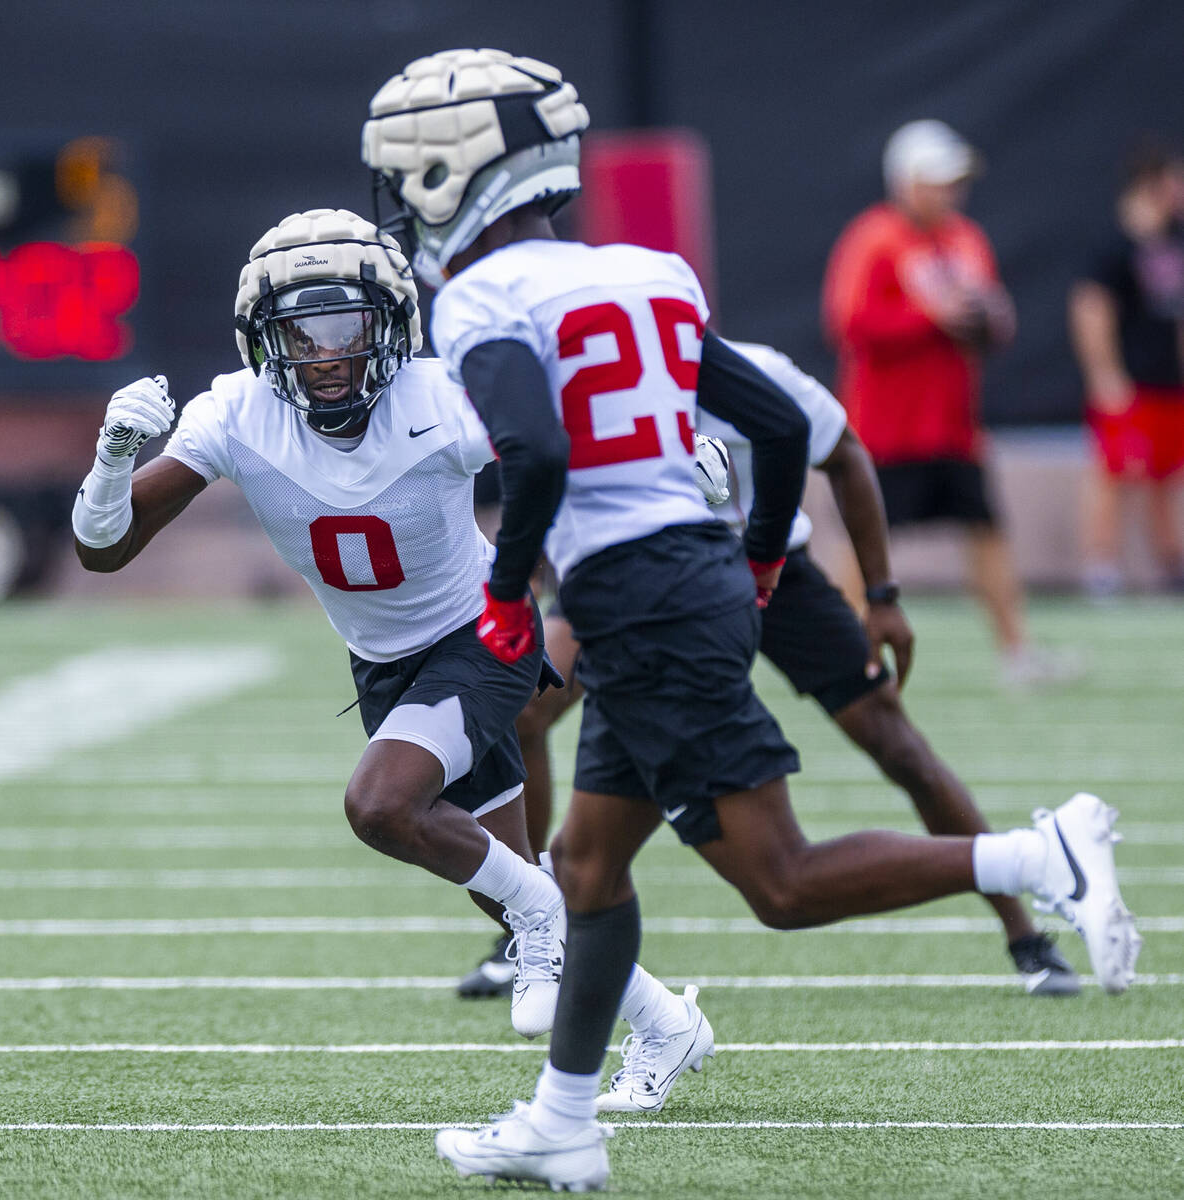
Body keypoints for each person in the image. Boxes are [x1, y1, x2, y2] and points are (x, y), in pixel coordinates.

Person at [361, 51, 1140, 1191]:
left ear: (454, 176)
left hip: (636, 595)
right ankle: (563, 1121)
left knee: (778, 883)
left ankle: (1039, 855)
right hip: (681, 577)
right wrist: (767, 554)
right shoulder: (644, 270)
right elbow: (777, 425)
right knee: (586, 864)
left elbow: (533, 450)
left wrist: (501, 588)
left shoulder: (481, 296)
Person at [70, 207, 705, 1054]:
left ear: (391, 324)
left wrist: (670, 454)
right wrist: (113, 457)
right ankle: (666, 1024)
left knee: (381, 805)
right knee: (505, 882)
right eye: (303, 331)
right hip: (383, 666)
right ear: (265, 339)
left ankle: (550, 935)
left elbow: (564, 434)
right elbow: (104, 551)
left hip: (485, 633)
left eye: (347, 326)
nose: (328, 353)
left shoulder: (441, 400)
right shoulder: (235, 413)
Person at [504, 339, 1079, 1008]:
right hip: (645, 589)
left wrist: (883, 595)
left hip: (772, 572)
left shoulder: (757, 373)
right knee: (527, 711)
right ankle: (527, 933)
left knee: (896, 745)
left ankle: (1023, 931)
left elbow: (845, 455)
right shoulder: (591, 384)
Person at [823, 119, 1075, 689]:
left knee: (986, 532)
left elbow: (990, 320)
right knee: (863, 545)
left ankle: (1017, 652)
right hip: (887, 427)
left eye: (953, 181)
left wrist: (989, 322)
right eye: (937, 180)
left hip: (952, 425)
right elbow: (849, 323)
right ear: (906, 181)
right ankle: (838, 657)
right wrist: (928, 319)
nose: (949, 192)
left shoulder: (966, 239)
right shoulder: (874, 238)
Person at [1069, 140, 1184, 598]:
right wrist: (1105, 374)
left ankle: (1170, 562)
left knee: (1166, 475)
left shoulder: (1175, 240)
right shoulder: (1114, 245)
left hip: (1168, 381)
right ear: (1152, 184)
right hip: (1128, 379)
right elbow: (1090, 309)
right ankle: (1102, 566)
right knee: (1116, 473)